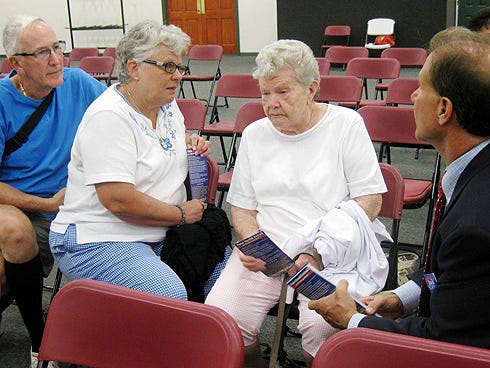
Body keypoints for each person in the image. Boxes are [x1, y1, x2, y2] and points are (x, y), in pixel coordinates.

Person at [205, 39, 389, 367]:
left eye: (283, 92)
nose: (271, 103)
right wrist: (251, 244)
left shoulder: (346, 125)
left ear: (311, 89)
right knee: (223, 322)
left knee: (325, 330)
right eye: (265, 93)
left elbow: (370, 200)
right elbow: (244, 208)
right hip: (268, 253)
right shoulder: (254, 134)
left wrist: (316, 250)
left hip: (331, 252)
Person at [308, 39, 490, 349]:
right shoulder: (473, 175)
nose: (412, 95)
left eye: (421, 87)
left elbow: (441, 341)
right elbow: (454, 274)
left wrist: (352, 320)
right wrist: (400, 297)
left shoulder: (473, 227)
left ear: (444, 109)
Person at [49, 20, 229, 302]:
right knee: (169, 295)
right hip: (101, 237)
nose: (178, 76)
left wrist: (188, 140)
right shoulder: (109, 117)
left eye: (179, 67)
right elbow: (118, 200)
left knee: (228, 290)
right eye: (168, 67)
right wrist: (180, 214)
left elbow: (163, 138)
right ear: (134, 68)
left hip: (161, 230)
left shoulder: (166, 105)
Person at [0, 14, 106, 366]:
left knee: (6, 269)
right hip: (14, 201)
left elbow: (127, 113)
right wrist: (43, 202)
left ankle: (38, 343)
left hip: (60, 212)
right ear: (16, 63)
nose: (57, 59)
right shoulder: (1, 101)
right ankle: (40, 338)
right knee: (15, 232)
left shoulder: (77, 83)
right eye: (42, 52)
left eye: (58, 47)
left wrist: (185, 134)